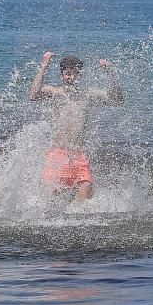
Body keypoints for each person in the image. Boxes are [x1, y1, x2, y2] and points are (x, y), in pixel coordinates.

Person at [28, 51, 124, 201]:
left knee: (84, 210)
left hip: (79, 158)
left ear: (80, 75)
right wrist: (44, 66)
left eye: (75, 74)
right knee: (44, 208)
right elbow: (33, 95)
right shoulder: (54, 93)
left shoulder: (88, 94)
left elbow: (118, 101)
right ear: (62, 76)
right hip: (56, 158)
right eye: (67, 74)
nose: (71, 77)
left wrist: (112, 73)